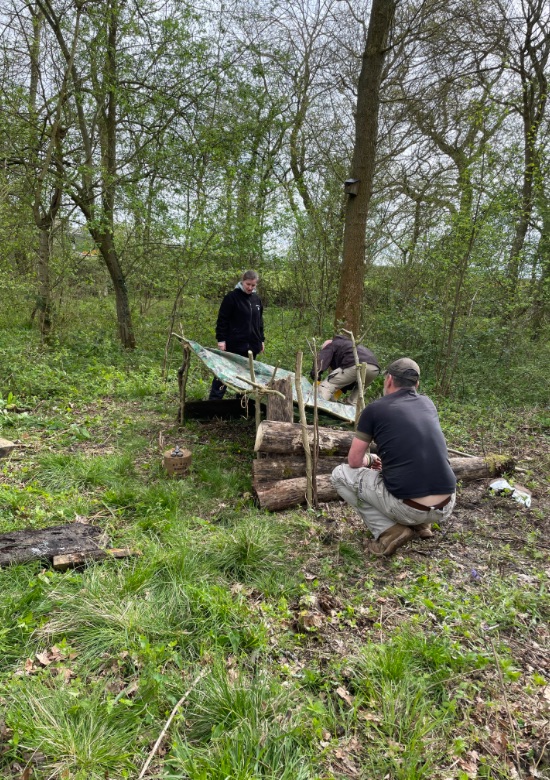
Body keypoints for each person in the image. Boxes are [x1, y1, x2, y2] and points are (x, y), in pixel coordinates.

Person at [331, 358, 456, 556]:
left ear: (389, 380)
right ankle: (422, 526)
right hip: (446, 504)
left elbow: (354, 461)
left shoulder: (375, 410)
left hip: (409, 508)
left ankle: (389, 532)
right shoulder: (428, 404)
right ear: (416, 384)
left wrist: (370, 460)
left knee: (340, 474)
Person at [208, 270, 265, 400]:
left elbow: (259, 322)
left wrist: (261, 340)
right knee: (224, 373)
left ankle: (240, 404)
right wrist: (221, 339)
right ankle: (214, 403)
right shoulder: (231, 297)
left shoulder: (256, 299)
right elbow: (222, 320)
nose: (250, 287)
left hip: (252, 345)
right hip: (234, 343)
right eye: (248, 284)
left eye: (253, 285)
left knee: (246, 376)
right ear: (242, 282)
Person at [310, 335, 380, 404]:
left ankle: (317, 407)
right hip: (374, 369)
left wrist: (317, 378)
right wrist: (336, 395)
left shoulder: (332, 344)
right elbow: (346, 380)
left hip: (356, 364)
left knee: (328, 384)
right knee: (356, 398)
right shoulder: (349, 345)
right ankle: (353, 413)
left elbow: (320, 360)